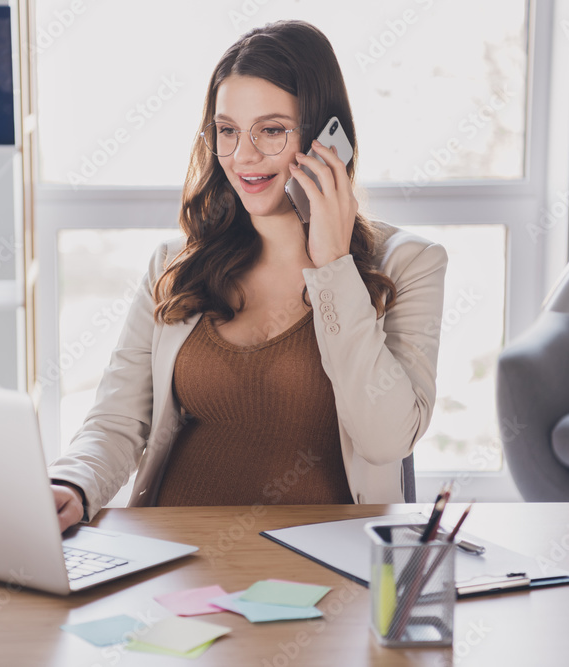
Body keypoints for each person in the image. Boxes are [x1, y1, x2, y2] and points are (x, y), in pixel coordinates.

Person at [48, 20, 447, 532]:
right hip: (169, 558)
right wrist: (72, 484)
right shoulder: (177, 262)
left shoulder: (409, 263)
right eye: (228, 131)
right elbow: (118, 420)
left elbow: (386, 439)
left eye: (272, 130)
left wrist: (332, 266)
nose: (243, 157)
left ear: (330, 138)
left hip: (321, 568)